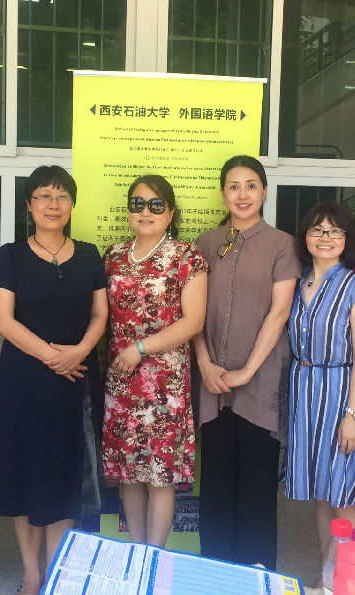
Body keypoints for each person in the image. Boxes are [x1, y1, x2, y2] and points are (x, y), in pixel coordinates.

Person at [0, 166, 108, 595]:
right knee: (25, 475)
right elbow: (2, 321)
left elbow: (100, 313)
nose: (53, 205)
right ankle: (31, 574)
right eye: (43, 196)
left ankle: (57, 573)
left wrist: (80, 351)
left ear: (72, 204)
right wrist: (54, 357)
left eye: (61, 197)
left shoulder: (90, 255)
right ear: (29, 204)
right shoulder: (10, 256)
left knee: (64, 474)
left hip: (75, 381)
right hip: (24, 384)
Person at [192, 155, 299, 568]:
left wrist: (247, 372)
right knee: (215, 487)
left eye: (251, 186)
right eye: (234, 186)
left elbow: (279, 312)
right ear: (223, 193)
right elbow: (193, 312)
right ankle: (215, 577)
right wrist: (205, 364)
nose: (243, 195)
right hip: (213, 382)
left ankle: (256, 579)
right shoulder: (205, 243)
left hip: (260, 381)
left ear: (264, 191)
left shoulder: (282, 244)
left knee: (256, 487)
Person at [103, 175, 208, 547]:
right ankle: (136, 554)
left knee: (160, 474)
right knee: (129, 472)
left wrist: (141, 348)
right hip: (121, 379)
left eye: (155, 205)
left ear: (171, 211)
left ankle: (154, 557)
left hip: (164, 382)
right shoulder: (113, 256)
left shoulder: (186, 256)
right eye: (137, 204)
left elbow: (193, 322)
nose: (145, 212)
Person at [281, 202, 355, 571]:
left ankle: (353, 580)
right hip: (304, 393)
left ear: (347, 239)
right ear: (305, 236)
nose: (326, 237)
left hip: (339, 395)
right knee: (322, 494)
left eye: (335, 231)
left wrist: (354, 415)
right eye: (317, 229)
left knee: (344, 494)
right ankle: (329, 578)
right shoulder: (297, 284)